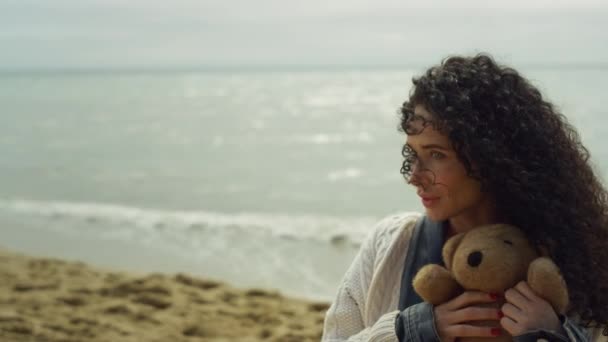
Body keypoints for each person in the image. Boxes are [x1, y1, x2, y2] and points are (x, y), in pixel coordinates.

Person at [321, 54, 608, 342]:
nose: (414, 175)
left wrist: (554, 335)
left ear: (492, 157)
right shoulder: (391, 243)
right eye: (414, 154)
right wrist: (411, 331)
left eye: (436, 154)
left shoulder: (573, 257)